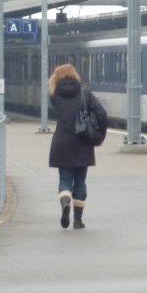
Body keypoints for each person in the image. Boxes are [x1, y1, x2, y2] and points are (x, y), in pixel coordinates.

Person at [48, 63, 108, 229]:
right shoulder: (85, 94)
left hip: (62, 143)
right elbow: (102, 114)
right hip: (83, 142)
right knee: (80, 180)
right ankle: (78, 220)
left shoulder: (54, 94)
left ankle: (65, 201)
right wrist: (100, 135)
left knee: (65, 179)